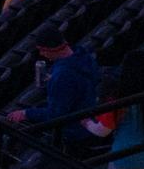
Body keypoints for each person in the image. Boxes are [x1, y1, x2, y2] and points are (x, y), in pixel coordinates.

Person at [9, 27, 101, 155]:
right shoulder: (84, 56)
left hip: (74, 132)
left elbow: (55, 115)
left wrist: (26, 113)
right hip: (91, 117)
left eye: (41, 50)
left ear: (50, 49)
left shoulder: (62, 76)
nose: (41, 54)